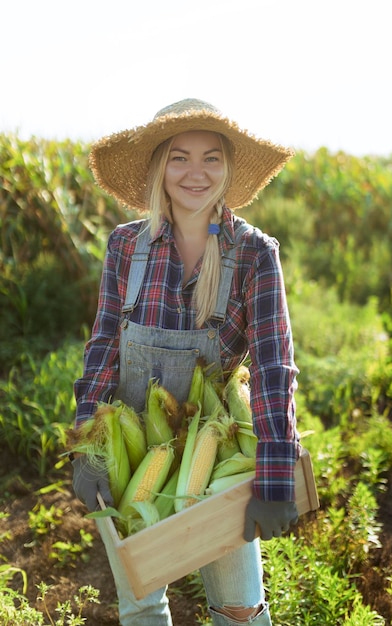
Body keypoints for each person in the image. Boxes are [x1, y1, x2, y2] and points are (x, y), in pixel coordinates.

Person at [72, 98, 300, 626]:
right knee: (143, 607)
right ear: (157, 167)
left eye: (211, 158)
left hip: (213, 454)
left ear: (228, 168)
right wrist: (87, 440)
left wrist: (274, 474)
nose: (195, 173)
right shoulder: (125, 247)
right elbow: (104, 345)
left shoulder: (254, 254)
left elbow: (273, 369)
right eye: (179, 157)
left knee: (239, 609)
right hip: (135, 463)